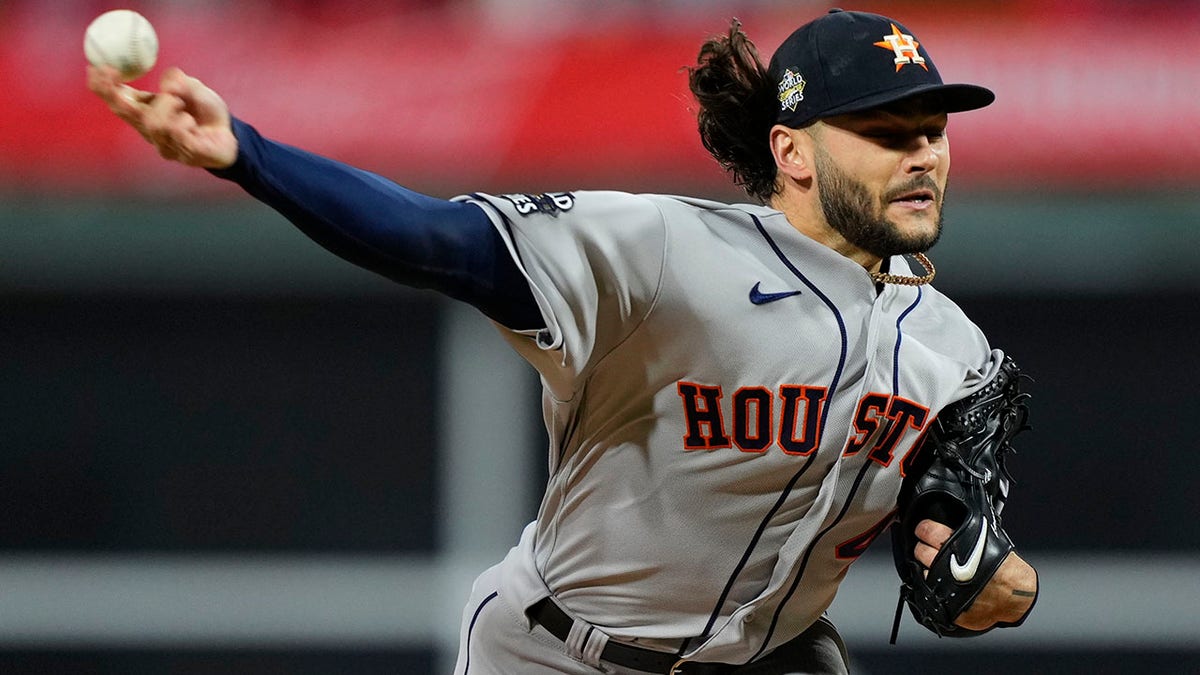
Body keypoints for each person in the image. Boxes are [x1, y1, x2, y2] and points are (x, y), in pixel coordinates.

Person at [88, 8, 1038, 674]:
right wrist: (245, 154)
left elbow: (951, 524)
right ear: (792, 151)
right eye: (884, 129)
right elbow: (437, 239)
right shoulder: (669, 252)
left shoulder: (950, 348)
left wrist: (996, 578)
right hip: (554, 653)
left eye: (932, 129)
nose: (922, 152)